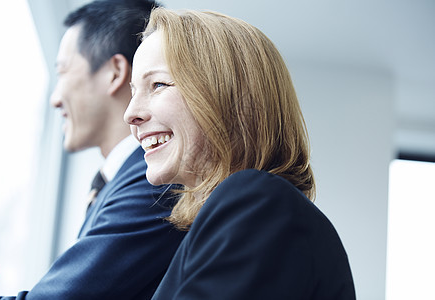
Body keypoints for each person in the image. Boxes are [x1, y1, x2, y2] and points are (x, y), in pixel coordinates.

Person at [124, 8, 356, 299]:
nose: (130, 114)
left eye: (158, 84)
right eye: (133, 92)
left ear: (228, 97)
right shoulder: (251, 211)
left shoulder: (258, 202)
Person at [0, 1, 185, 299]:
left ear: (114, 73)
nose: (55, 98)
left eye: (63, 72)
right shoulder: (127, 179)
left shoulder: (155, 178)